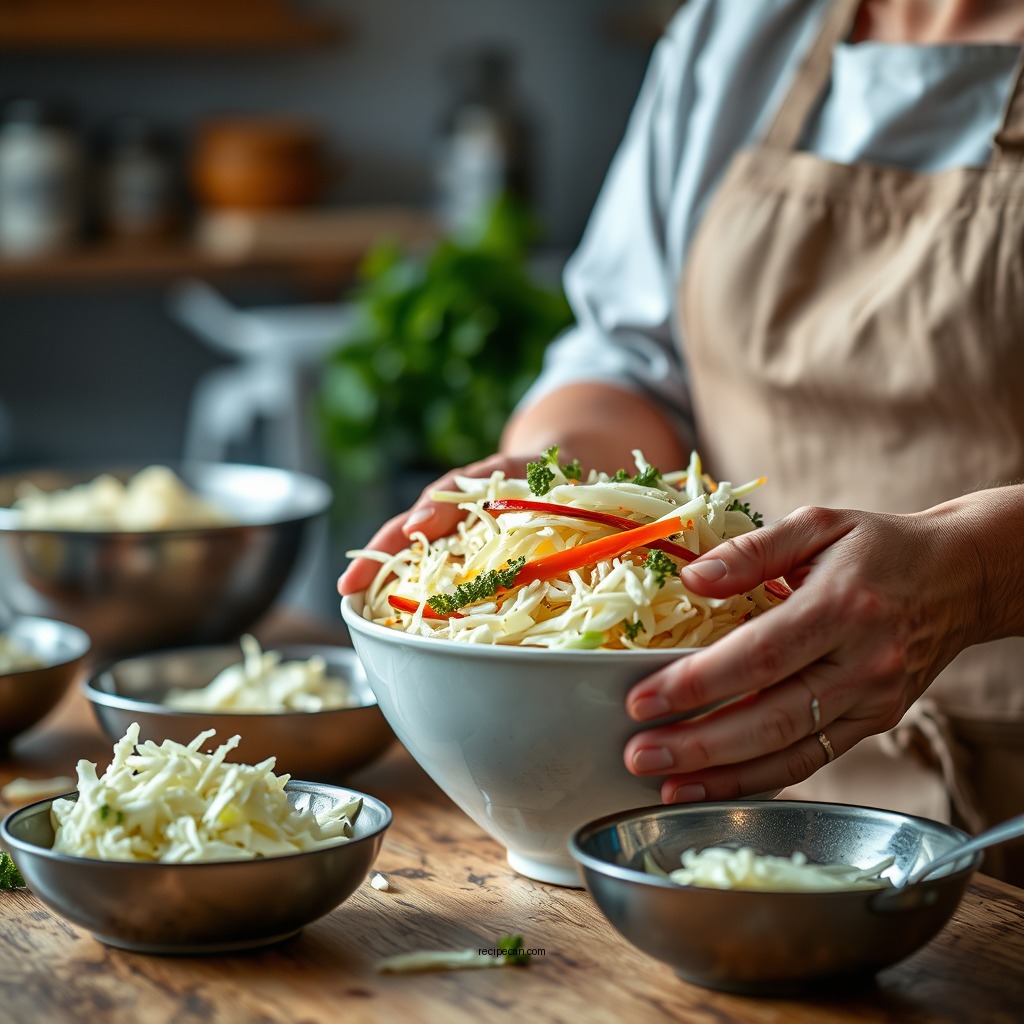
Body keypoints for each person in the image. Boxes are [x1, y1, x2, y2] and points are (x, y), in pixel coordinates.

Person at [341, 0, 1024, 883]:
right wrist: (553, 491)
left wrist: (973, 574)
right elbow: (631, 359)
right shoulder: (744, 25)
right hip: (719, 809)